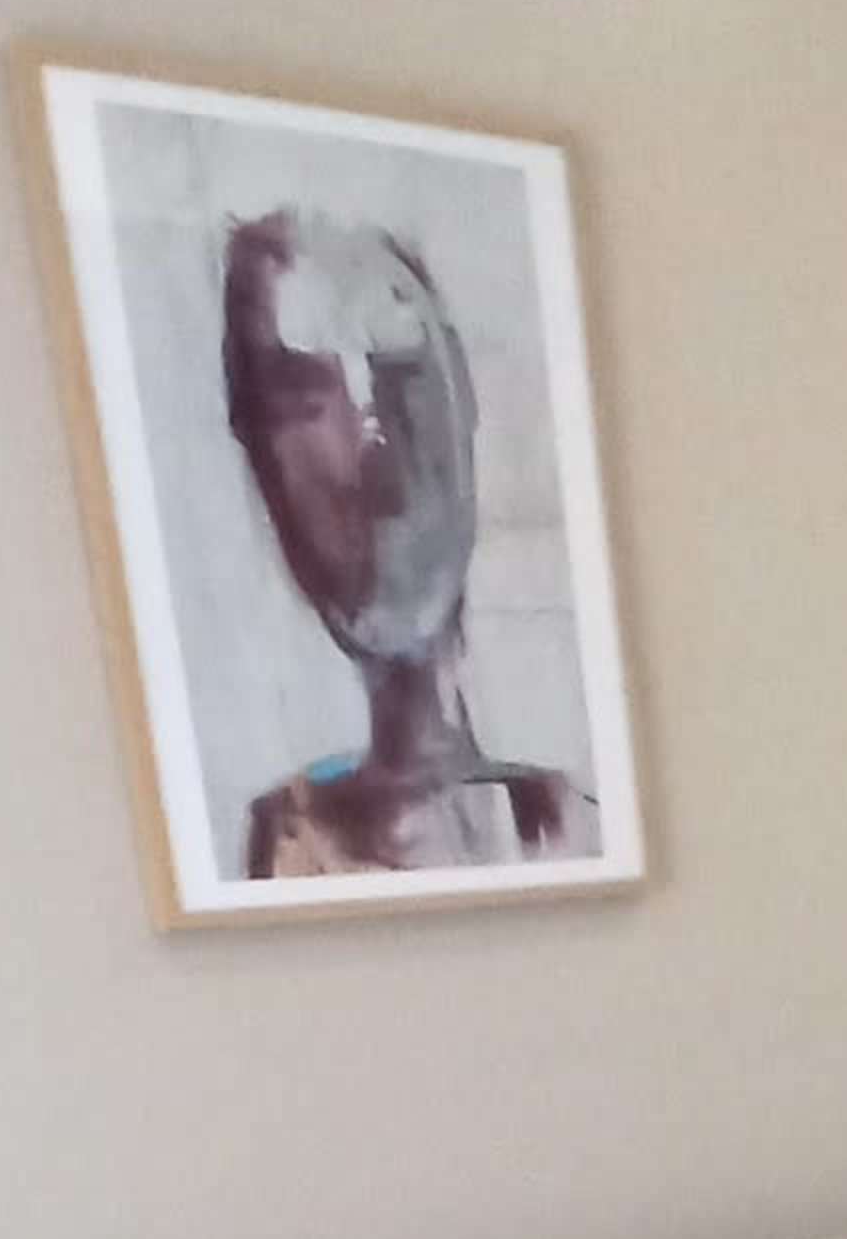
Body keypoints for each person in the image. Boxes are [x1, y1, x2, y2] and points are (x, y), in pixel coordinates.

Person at [218, 208, 601, 878]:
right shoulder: (290, 840)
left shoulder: (579, 814)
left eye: (398, 358)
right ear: (261, 467)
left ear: (464, 409)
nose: (368, 424)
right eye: (304, 395)